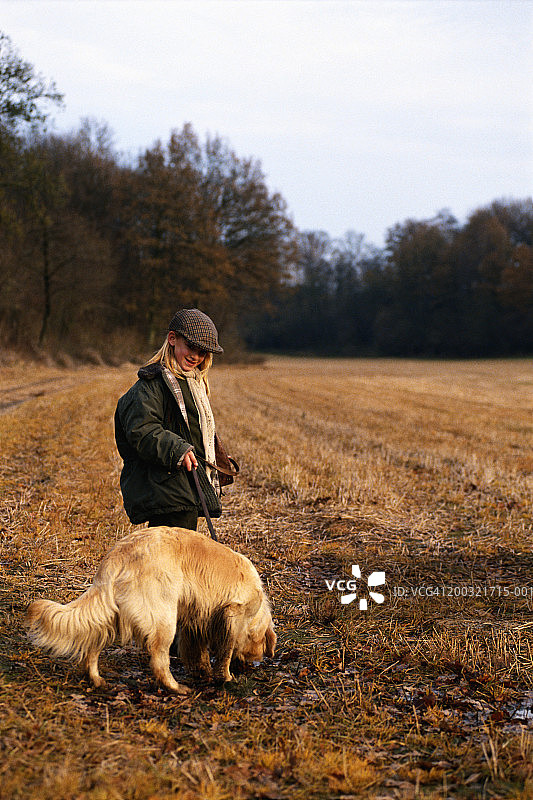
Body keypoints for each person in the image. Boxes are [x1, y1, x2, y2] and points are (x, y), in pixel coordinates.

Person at [114, 308, 224, 531]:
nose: (196, 356)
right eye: (191, 347)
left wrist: (216, 456)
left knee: (173, 554)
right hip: (167, 489)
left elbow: (194, 429)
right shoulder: (152, 384)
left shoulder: (193, 384)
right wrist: (178, 449)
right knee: (170, 553)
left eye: (203, 352)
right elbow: (142, 431)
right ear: (172, 339)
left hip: (184, 486)